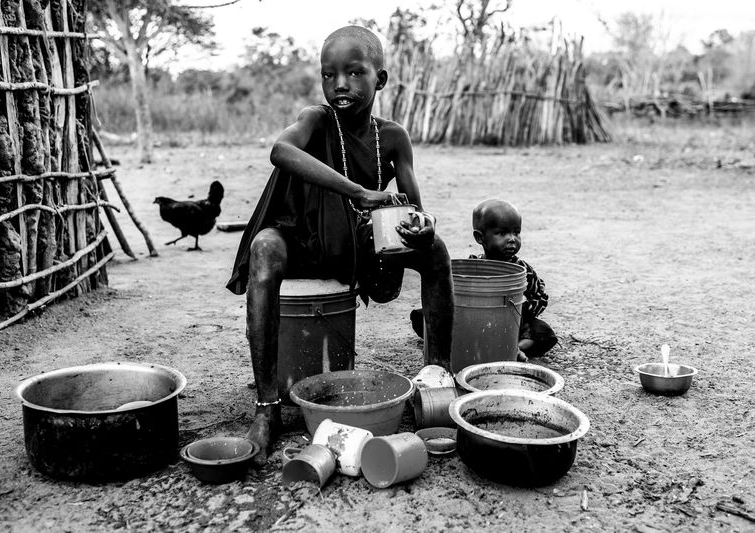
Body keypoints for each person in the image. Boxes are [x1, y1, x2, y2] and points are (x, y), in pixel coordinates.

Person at [226, 25, 454, 465]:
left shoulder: (392, 137)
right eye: (329, 75)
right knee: (263, 250)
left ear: (380, 79)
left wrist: (422, 228)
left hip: (354, 244)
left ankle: (435, 380)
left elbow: (415, 209)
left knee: (437, 250)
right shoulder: (315, 119)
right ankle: (268, 406)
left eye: (354, 73)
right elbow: (280, 150)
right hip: (300, 236)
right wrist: (358, 192)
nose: (340, 85)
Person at [410, 199, 557, 361]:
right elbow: (451, 294)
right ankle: (475, 344)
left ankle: (514, 349)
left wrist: (524, 307)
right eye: (502, 233)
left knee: (544, 333)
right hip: (474, 322)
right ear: (480, 237)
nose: (512, 239)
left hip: (511, 325)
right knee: (422, 316)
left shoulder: (523, 270)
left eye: (516, 232)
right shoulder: (472, 266)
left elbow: (541, 297)